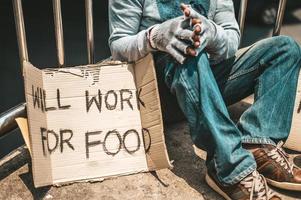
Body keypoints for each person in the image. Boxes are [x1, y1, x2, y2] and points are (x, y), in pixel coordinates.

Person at [108, 0, 301, 199]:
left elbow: (231, 38)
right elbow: (118, 46)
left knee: (284, 48)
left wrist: (213, 33)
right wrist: (154, 37)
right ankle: (229, 167)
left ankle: (257, 146)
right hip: (156, 94)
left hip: (202, 82)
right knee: (185, 50)